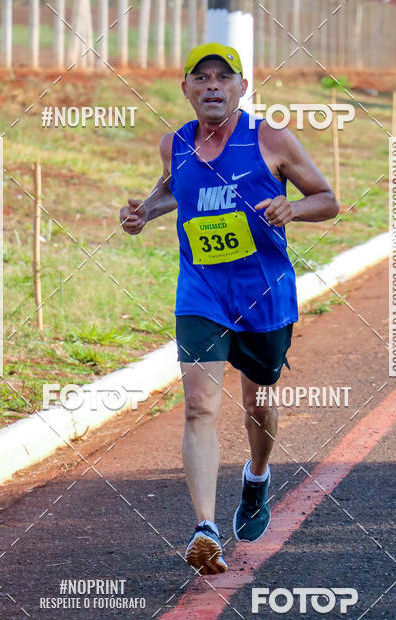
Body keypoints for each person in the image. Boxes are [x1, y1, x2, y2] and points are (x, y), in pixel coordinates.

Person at [120, 42, 339, 575]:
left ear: (242, 86)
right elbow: (176, 192)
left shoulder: (271, 139)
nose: (213, 86)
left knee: (257, 404)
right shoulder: (174, 144)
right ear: (187, 89)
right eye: (202, 78)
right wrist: (144, 212)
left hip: (265, 297)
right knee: (199, 407)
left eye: (224, 77)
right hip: (201, 294)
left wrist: (295, 206)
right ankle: (205, 529)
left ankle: (257, 478)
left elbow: (327, 199)